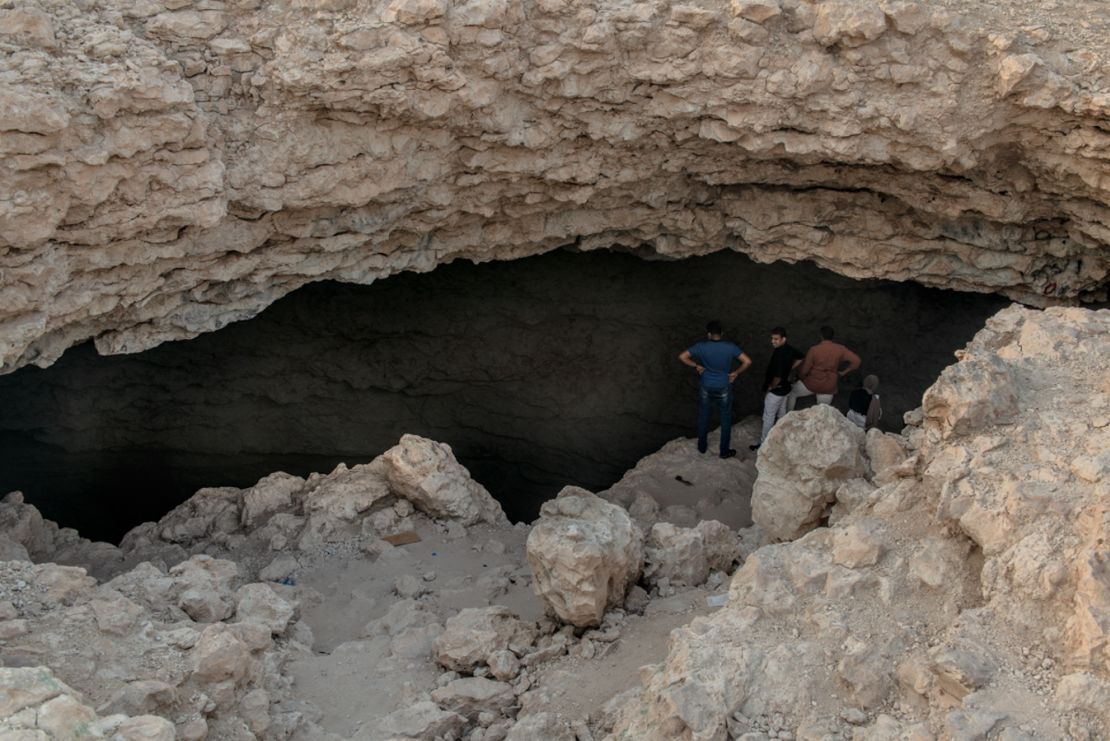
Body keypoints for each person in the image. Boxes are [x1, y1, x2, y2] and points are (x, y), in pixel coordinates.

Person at [678, 320, 752, 458]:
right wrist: (736, 373)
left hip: (706, 385)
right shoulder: (730, 347)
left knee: (704, 416)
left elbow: (682, 356)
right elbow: (747, 361)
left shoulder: (701, 346)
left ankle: (702, 447)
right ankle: (724, 452)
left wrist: (696, 365)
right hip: (723, 385)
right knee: (725, 419)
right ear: (721, 333)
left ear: (709, 334)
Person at [750, 326, 804, 451]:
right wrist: (790, 368)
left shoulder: (780, 354)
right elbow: (801, 357)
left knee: (768, 417)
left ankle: (763, 445)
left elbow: (778, 376)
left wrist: (771, 387)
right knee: (782, 414)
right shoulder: (789, 349)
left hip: (777, 390)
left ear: (783, 339)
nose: (773, 341)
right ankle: (779, 440)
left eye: (776, 339)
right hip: (786, 388)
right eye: (772, 338)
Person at [787, 325, 861, 411]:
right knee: (822, 411)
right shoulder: (840, 349)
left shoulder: (814, 349)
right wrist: (843, 372)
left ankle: (788, 415)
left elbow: (804, 370)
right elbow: (857, 361)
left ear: (821, 336)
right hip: (829, 386)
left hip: (812, 383)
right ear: (833, 337)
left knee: (792, 393)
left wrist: (799, 376)